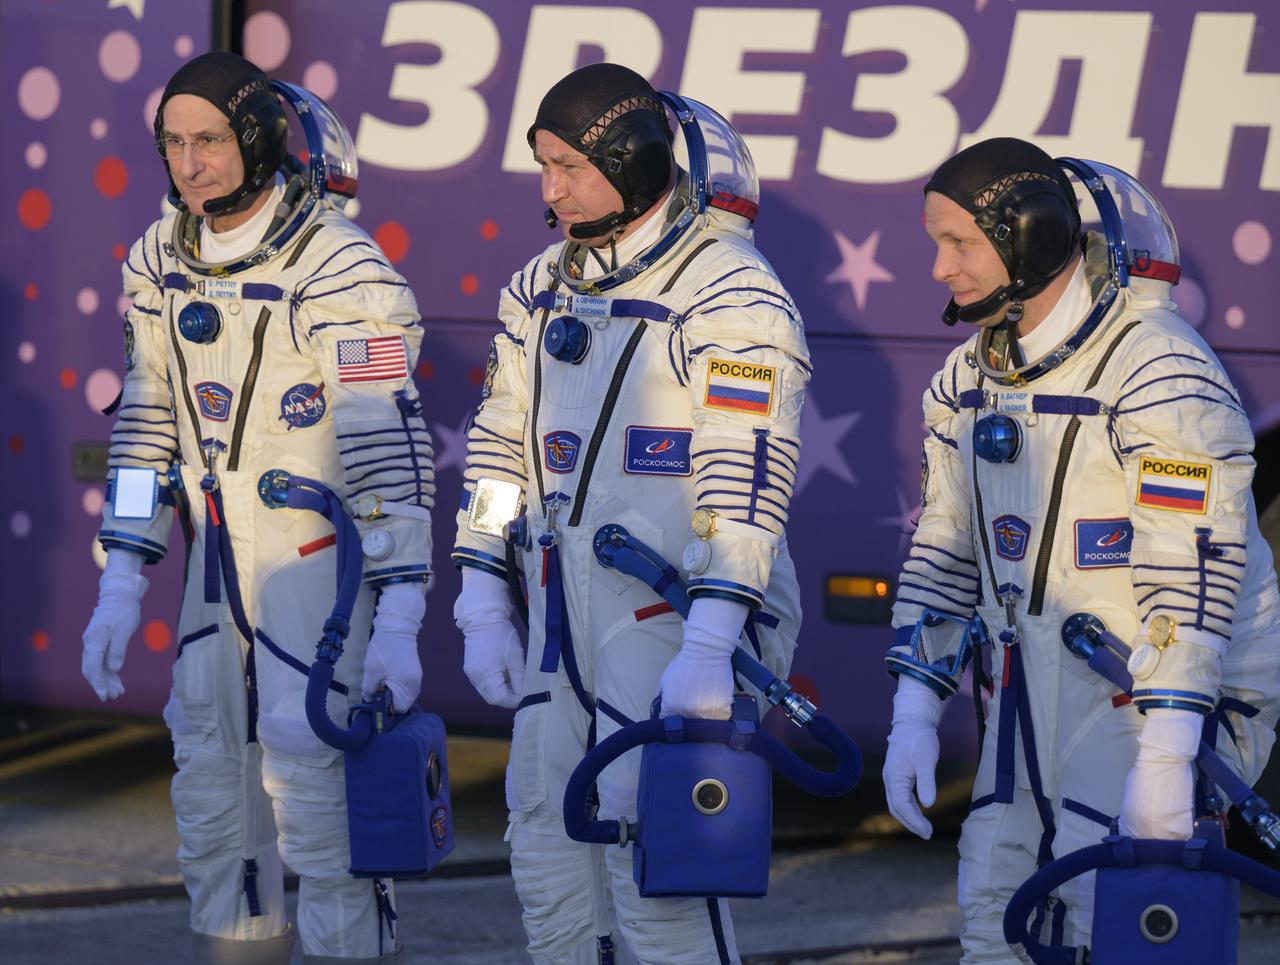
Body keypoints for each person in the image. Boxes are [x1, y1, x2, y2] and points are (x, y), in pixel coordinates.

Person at [881, 137, 1280, 961]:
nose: (938, 268)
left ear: (1025, 236)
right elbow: (946, 553)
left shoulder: (1160, 373)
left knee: (1112, 923)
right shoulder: (966, 383)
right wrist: (915, 709)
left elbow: (1191, 577)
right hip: (1028, 704)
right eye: (936, 243)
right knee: (994, 907)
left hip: (1154, 701)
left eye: (958, 243)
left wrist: (1171, 756)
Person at [80, 51, 434, 964]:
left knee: (320, 799)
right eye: (173, 144)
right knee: (212, 795)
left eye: (209, 142)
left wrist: (400, 615)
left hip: (316, 566)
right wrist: (123, 572)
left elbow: (387, 455)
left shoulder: (342, 266)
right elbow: (147, 420)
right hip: (217, 566)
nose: (190, 165)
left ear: (257, 140)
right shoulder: (158, 258)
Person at [451, 63, 809, 964]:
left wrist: (712, 642)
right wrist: (482, 591)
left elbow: (745, 487)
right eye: (542, 165)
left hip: (679, 617)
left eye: (571, 164)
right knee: (549, 865)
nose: (551, 189)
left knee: (665, 889)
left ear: (634, 159)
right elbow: (499, 449)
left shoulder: (731, 292)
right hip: (563, 621)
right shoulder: (539, 288)